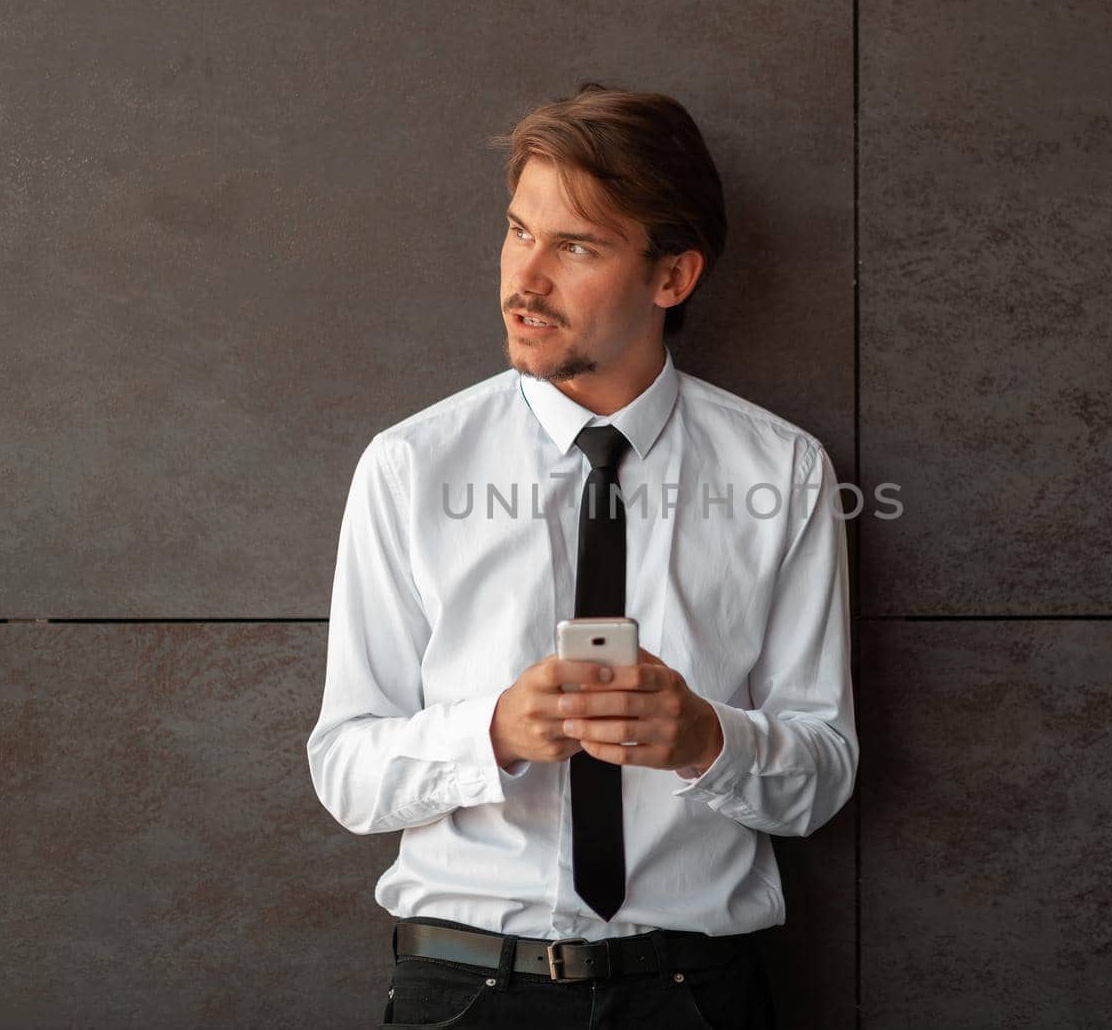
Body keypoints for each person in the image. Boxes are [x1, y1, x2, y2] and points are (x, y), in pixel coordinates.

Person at [307, 82, 857, 1029]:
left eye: (575, 246)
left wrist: (705, 740)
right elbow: (347, 770)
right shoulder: (410, 466)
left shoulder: (786, 471)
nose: (525, 280)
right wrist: (495, 732)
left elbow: (824, 772)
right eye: (520, 231)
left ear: (672, 277)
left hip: (698, 995)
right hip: (463, 989)